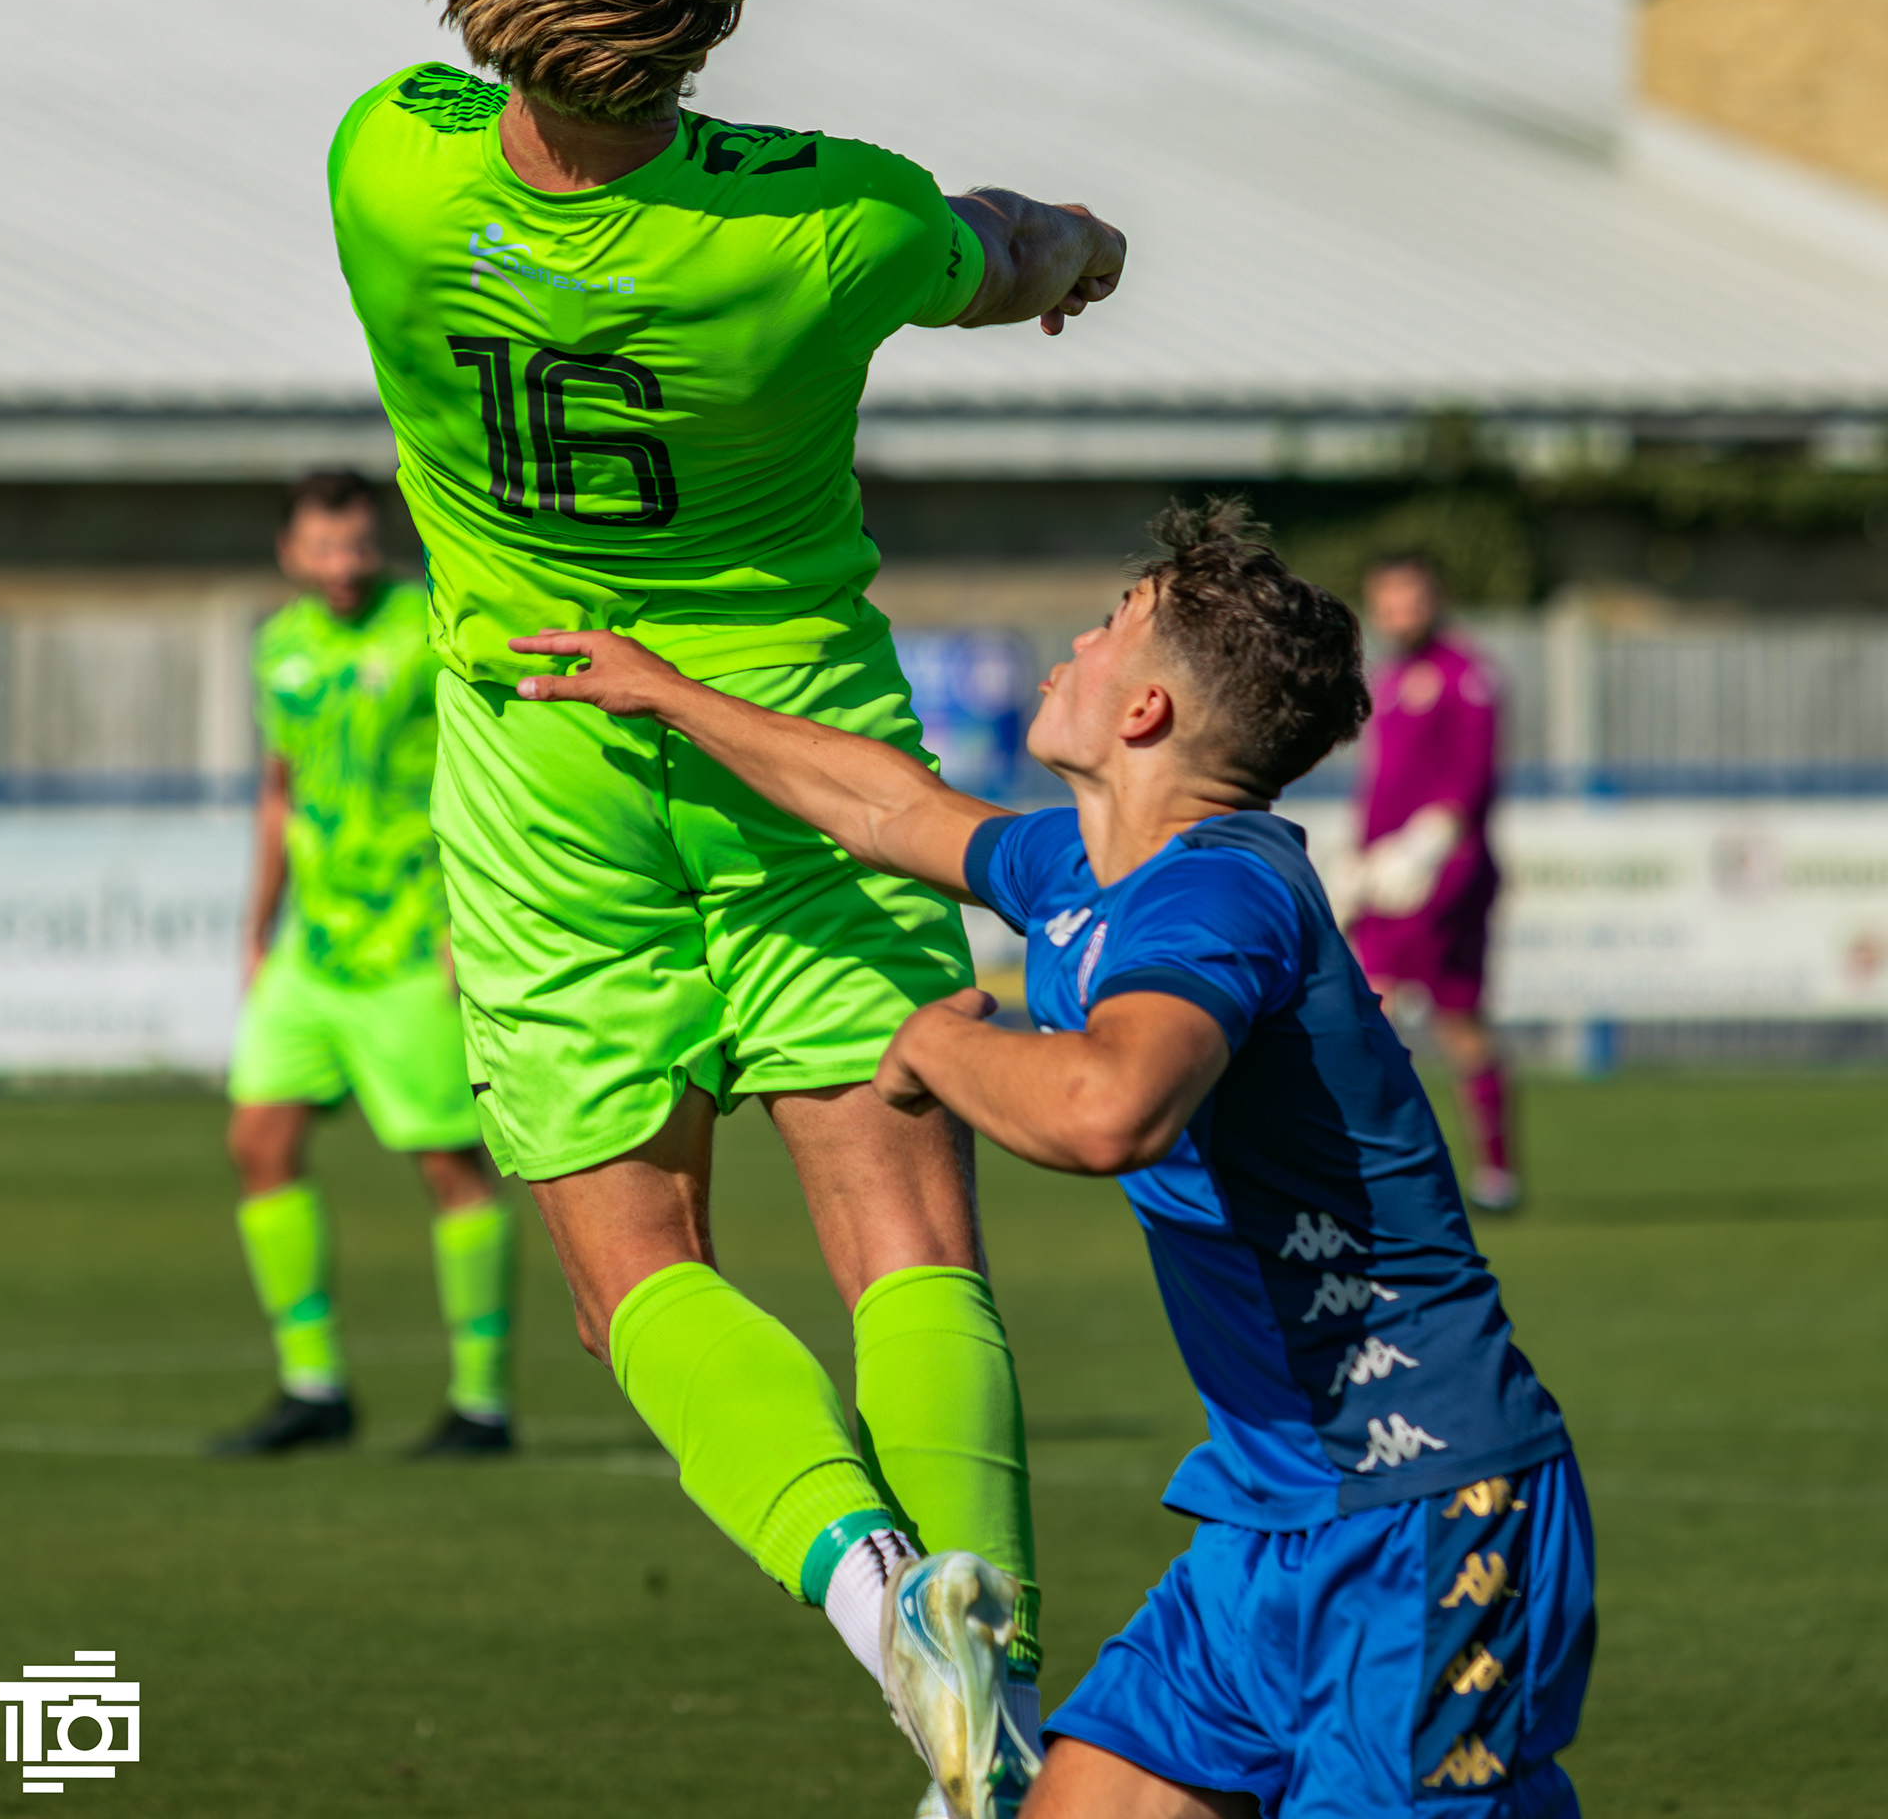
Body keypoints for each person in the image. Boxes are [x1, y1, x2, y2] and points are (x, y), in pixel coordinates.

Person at [328, 0, 1126, 1815]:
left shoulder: (384, 169)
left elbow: (520, 76)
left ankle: (882, 1616)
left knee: (636, 1276)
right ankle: (990, 1671)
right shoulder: (836, 222)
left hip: (543, 770)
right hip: (804, 755)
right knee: (905, 1230)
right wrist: (1075, 248)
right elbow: (1019, 249)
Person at [508, 501, 1594, 1819]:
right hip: (1266, 1522)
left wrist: (938, 1045)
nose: (1070, 646)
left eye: (1107, 628)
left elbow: (1107, 1110)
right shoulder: (1080, 870)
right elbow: (887, 807)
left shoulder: (1222, 893)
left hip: (1424, 1513)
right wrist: (669, 696)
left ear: (1144, 711)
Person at [213, 470, 516, 1459]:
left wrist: (471, 919)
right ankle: (315, 1388)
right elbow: (280, 789)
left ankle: (482, 1404)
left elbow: (486, 777)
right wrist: (257, 926)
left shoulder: (429, 632)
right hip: (313, 950)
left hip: (413, 944)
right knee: (259, 1142)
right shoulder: (279, 647)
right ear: (289, 553)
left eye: (357, 545)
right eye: (323, 547)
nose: (342, 564)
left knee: (450, 1166)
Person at [1342, 553, 1518, 1213]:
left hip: (1442, 876)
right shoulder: (1387, 680)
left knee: (1444, 1018)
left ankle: (1492, 1173)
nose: (1399, 613)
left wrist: (1431, 842)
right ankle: (1384, 1174)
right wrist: (1361, 860)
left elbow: (1472, 775)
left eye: (1410, 599)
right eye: (1387, 601)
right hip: (1387, 873)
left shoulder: (1465, 675)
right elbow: (1382, 782)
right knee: (1379, 1010)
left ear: (1436, 599)